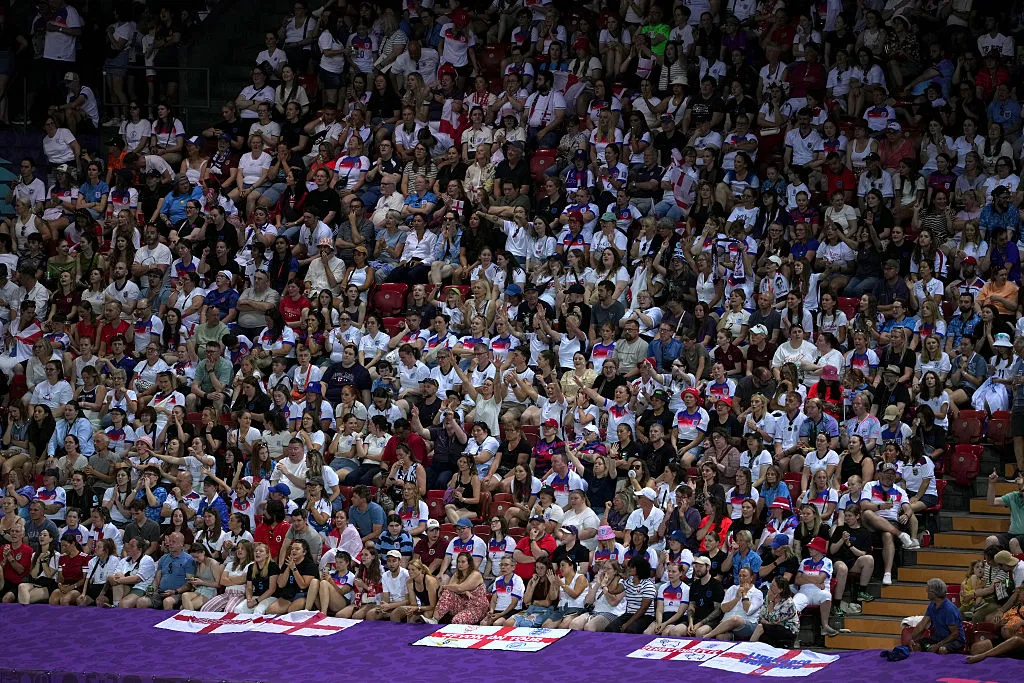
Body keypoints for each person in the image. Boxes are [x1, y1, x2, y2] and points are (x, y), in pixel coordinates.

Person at [908, 578, 967, 654]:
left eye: (928, 590)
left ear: (934, 593)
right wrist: (912, 639)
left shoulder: (949, 609)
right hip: (938, 638)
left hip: (955, 641)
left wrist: (938, 645)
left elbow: (955, 634)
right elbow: (923, 623)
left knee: (942, 650)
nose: (926, 591)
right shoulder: (932, 605)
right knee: (916, 646)